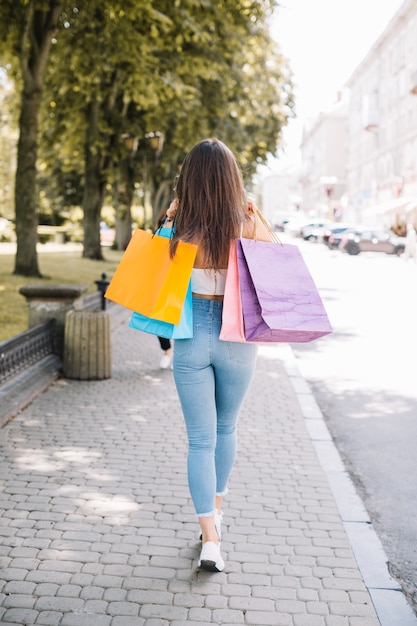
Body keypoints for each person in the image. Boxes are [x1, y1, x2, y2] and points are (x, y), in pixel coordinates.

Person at [162, 138, 271, 572]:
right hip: (237, 336)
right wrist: (254, 213)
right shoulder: (244, 220)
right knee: (226, 427)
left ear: (188, 178)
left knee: (199, 441)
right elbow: (274, 262)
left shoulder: (179, 224)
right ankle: (218, 512)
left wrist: (168, 217)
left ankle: (211, 538)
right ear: (232, 178)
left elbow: (154, 268)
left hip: (190, 334)